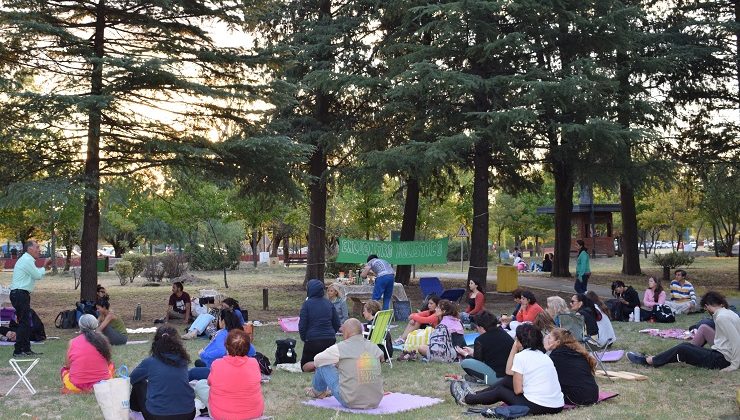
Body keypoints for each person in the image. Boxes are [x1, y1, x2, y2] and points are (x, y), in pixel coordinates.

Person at [451, 323, 563, 415]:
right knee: (507, 380)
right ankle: (476, 395)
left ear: (520, 340)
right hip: (557, 405)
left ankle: (466, 399)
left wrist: (515, 347)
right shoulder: (544, 356)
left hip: (539, 406)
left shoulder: (522, 357)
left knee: (500, 391)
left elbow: (518, 390)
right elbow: (509, 372)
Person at [628, 291, 740, 371]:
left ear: (707, 306)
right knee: (703, 329)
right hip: (723, 352)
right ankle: (692, 352)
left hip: (723, 360)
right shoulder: (727, 313)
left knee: (683, 348)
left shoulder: (722, 317)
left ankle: (650, 361)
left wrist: (734, 365)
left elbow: (736, 341)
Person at [306, 318, 385, 409]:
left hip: (350, 400)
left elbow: (317, 360)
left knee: (323, 366)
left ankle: (317, 392)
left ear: (346, 332)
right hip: (375, 401)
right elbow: (381, 357)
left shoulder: (340, 347)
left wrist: (336, 364)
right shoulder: (373, 346)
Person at [130, 325, 196, 420]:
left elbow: (132, 378)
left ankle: (135, 412)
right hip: (188, 414)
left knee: (139, 383)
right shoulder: (183, 360)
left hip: (158, 416)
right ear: (178, 343)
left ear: (155, 343)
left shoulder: (150, 362)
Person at [197, 329, 264, 420]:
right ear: (248, 347)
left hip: (221, 415)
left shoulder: (217, 364)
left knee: (200, 384)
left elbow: (209, 383)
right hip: (254, 413)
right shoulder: (254, 363)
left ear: (226, 346)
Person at [9, 240, 52, 356]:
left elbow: (35, 273)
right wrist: (44, 266)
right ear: (29, 249)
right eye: (37, 247)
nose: (39, 250)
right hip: (19, 294)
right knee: (24, 322)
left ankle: (26, 349)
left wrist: (44, 268)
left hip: (21, 294)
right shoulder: (27, 260)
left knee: (26, 322)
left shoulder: (27, 260)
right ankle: (18, 350)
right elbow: (37, 275)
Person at [190, 310, 255, 380]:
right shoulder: (240, 334)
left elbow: (221, 351)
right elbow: (252, 351)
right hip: (236, 368)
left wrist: (203, 354)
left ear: (223, 321)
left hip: (217, 367)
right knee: (199, 364)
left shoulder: (223, 334)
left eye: (219, 319)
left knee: (194, 370)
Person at [544, 328, 599, 406]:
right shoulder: (578, 351)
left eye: (549, 338)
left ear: (558, 342)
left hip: (577, 397)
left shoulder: (557, 356)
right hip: (593, 394)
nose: (546, 340)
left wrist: (545, 349)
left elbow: (542, 372)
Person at [456, 311, 514, 385]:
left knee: (465, 363)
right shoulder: (504, 333)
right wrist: (473, 352)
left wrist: (465, 354)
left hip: (498, 378)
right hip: (511, 376)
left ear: (481, 327)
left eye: (477, 326)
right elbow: (493, 353)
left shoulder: (480, 340)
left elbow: (477, 362)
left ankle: (484, 380)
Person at [60, 314, 114, 393]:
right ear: (95, 325)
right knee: (111, 366)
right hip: (102, 384)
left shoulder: (72, 342)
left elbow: (68, 365)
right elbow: (108, 361)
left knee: (64, 370)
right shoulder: (103, 340)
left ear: (80, 326)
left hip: (76, 386)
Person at [299, 279, 341, 372]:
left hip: (312, 341)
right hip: (329, 340)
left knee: (304, 366)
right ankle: (328, 364)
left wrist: (304, 338)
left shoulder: (307, 304)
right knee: (328, 360)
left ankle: (317, 365)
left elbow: (302, 325)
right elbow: (337, 323)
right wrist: (330, 333)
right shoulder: (328, 303)